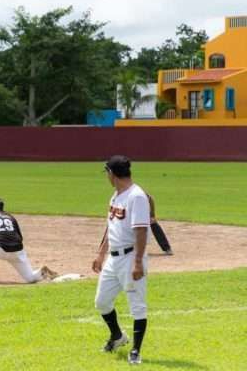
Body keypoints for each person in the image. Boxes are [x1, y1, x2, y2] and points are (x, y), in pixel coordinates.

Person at [92, 155, 149, 365]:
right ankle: (117, 337)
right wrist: (101, 253)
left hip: (131, 257)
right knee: (102, 301)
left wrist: (138, 262)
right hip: (113, 259)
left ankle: (136, 350)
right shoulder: (116, 196)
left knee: (137, 306)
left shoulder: (137, 196)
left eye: (107, 172)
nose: (106, 176)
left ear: (112, 174)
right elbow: (111, 226)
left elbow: (141, 231)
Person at [0, 197, 57, 283]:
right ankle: (41, 272)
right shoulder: (11, 217)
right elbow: (20, 237)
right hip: (17, 251)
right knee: (30, 278)